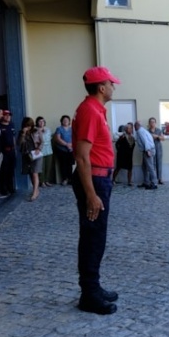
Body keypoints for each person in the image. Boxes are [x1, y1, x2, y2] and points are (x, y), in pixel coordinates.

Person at [72, 66, 121, 315]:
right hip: (94, 181)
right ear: (101, 87)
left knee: (96, 236)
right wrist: (92, 194)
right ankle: (89, 294)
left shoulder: (95, 110)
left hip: (100, 179)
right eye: (111, 83)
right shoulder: (90, 111)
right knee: (93, 237)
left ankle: (93, 286)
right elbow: (82, 157)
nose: (114, 86)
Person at [18, 117, 44, 201]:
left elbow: (42, 141)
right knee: (30, 173)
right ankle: (36, 190)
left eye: (30, 125)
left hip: (36, 154)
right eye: (27, 125)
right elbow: (19, 143)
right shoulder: (21, 133)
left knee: (34, 173)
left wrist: (39, 149)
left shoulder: (36, 131)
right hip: (27, 155)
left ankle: (34, 193)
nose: (28, 127)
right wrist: (23, 134)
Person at [134, 120, 158, 189]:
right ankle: (146, 182)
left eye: (134, 126)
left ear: (137, 126)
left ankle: (154, 183)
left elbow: (145, 141)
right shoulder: (142, 131)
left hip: (148, 150)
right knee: (144, 167)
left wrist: (147, 150)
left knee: (150, 167)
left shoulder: (140, 131)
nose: (134, 128)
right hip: (147, 150)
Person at [0, 110, 17, 196]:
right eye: (6, 115)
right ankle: (3, 189)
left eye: (9, 115)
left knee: (11, 170)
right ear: (2, 116)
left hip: (12, 151)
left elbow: (13, 137)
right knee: (3, 171)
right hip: (3, 151)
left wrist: (15, 149)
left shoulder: (11, 125)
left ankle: (10, 187)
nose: (8, 117)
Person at [54, 115, 74, 186]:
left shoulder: (72, 129)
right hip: (62, 150)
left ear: (69, 121)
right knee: (63, 165)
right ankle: (65, 179)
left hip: (71, 149)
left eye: (67, 120)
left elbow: (75, 137)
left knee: (70, 165)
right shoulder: (59, 129)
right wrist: (66, 144)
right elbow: (57, 139)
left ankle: (70, 179)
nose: (65, 121)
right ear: (61, 121)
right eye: (64, 120)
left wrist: (71, 145)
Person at [36, 116, 54, 187]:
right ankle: (42, 181)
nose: (41, 123)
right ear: (37, 122)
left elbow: (50, 138)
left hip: (49, 150)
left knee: (48, 166)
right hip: (41, 150)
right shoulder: (36, 130)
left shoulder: (48, 129)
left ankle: (47, 180)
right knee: (41, 167)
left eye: (43, 121)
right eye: (40, 121)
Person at [147, 117, 165, 184]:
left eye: (153, 122)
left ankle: (160, 178)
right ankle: (153, 179)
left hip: (158, 148)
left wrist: (157, 136)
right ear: (149, 123)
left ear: (155, 123)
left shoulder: (158, 130)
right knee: (152, 164)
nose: (152, 123)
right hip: (151, 149)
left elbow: (163, 138)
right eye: (151, 122)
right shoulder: (147, 131)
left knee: (159, 163)